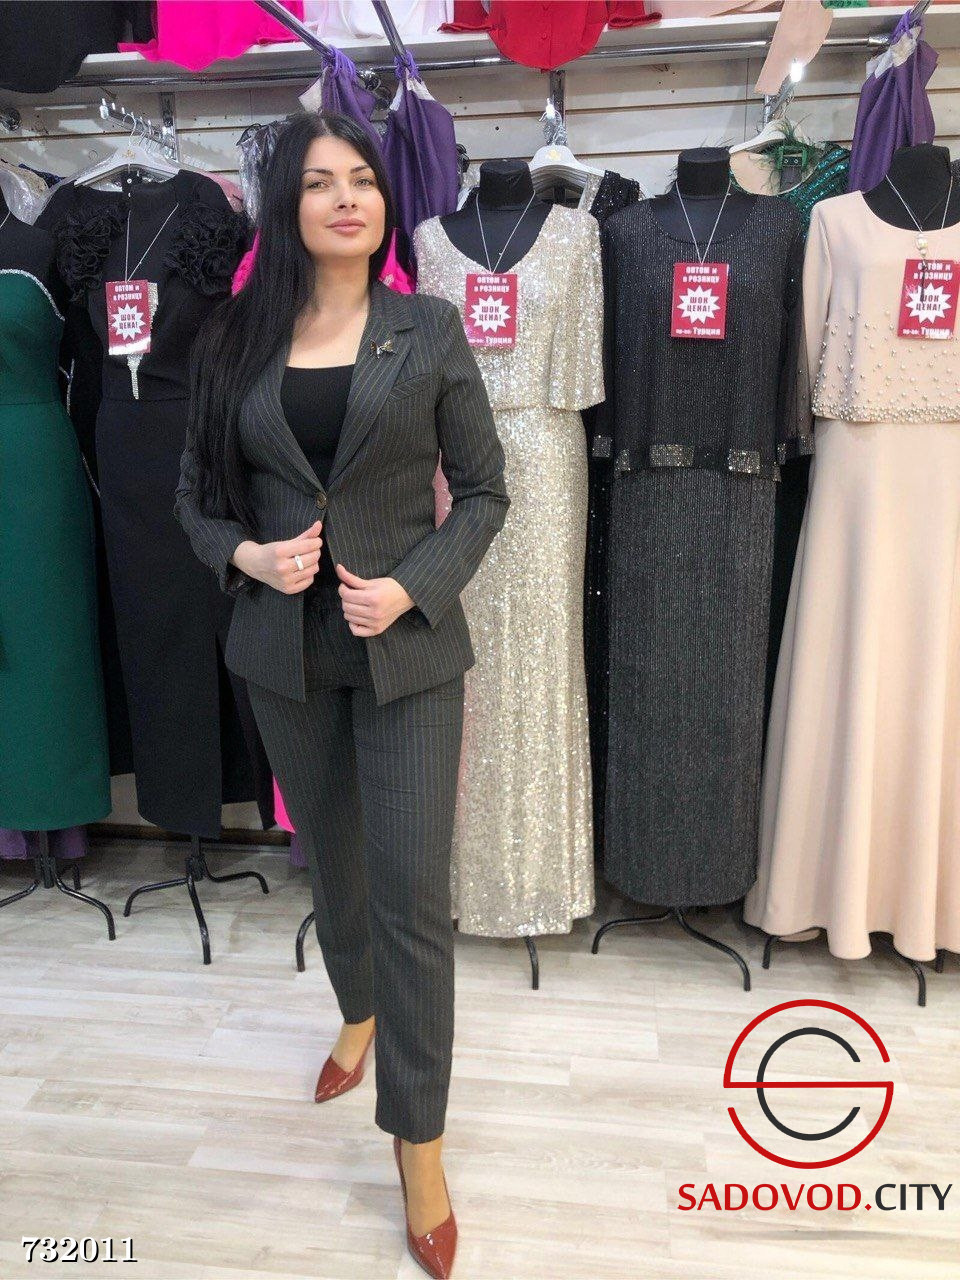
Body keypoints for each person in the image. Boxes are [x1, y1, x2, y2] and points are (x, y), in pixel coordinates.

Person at [175, 109, 509, 1278]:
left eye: (362, 178)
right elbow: (194, 498)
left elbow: (484, 490)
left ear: (384, 199)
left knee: (411, 889)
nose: (347, 198)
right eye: (320, 182)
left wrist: (413, 585)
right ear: (289, 206)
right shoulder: (234, 339)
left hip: (406, 653)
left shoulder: (428, 328)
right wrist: (249, 557)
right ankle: (356, 1008)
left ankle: (418, 1141)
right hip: (284, 654)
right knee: (337, 864)